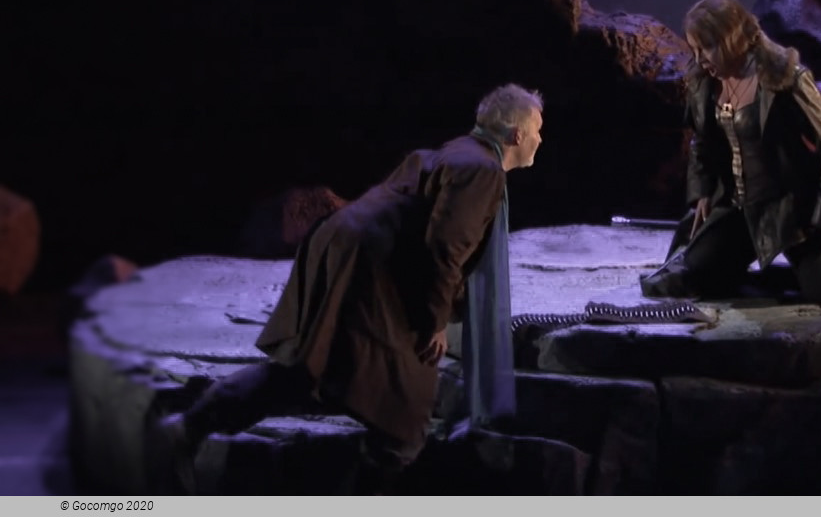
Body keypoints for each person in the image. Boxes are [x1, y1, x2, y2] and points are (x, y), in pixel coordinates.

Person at [145, 83, 545, 494]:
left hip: (346, 248)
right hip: (370, 267)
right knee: (403, 422)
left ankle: (186, 429)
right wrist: (436, 319)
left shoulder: (457, 150)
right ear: (516, 135)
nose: (540, 139)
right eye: (537, 130)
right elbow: (446, 246)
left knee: (309, 368)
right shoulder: (482, 170)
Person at [640, 0, 821, 305]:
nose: (699, 58)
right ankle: (786, 278)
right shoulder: (705, 83)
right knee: (687, 280)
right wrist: (704, 191)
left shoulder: (784, 77)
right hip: (737, 207)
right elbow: (703, 142)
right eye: (694, 48)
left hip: (791, 206)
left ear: (731, 39)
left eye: (705, 47)